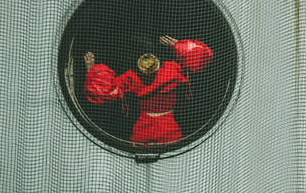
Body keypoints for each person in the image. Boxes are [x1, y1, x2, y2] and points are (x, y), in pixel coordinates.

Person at [83, 35, 213, 146]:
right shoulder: (171, 69)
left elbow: (103, 91)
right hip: (165, 127)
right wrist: (178, 45)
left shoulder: (132, 76)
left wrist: (92, 69)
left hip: (146, 128)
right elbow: (200, 57)